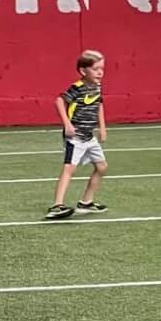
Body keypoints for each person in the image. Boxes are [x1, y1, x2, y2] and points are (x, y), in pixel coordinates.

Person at [45, 50, 107, 220]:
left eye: (102, 68)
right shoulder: (77, 88)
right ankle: (56, 206)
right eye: (95, 69)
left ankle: (86, 202)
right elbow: (59, 101)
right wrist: (67, 124)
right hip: (76, 137)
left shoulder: (97, 86)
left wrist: (102, 127)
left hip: (89, 136)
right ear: (83, 71)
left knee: (102, 167)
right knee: (69, 169)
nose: (100, 72)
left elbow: (99, 104)